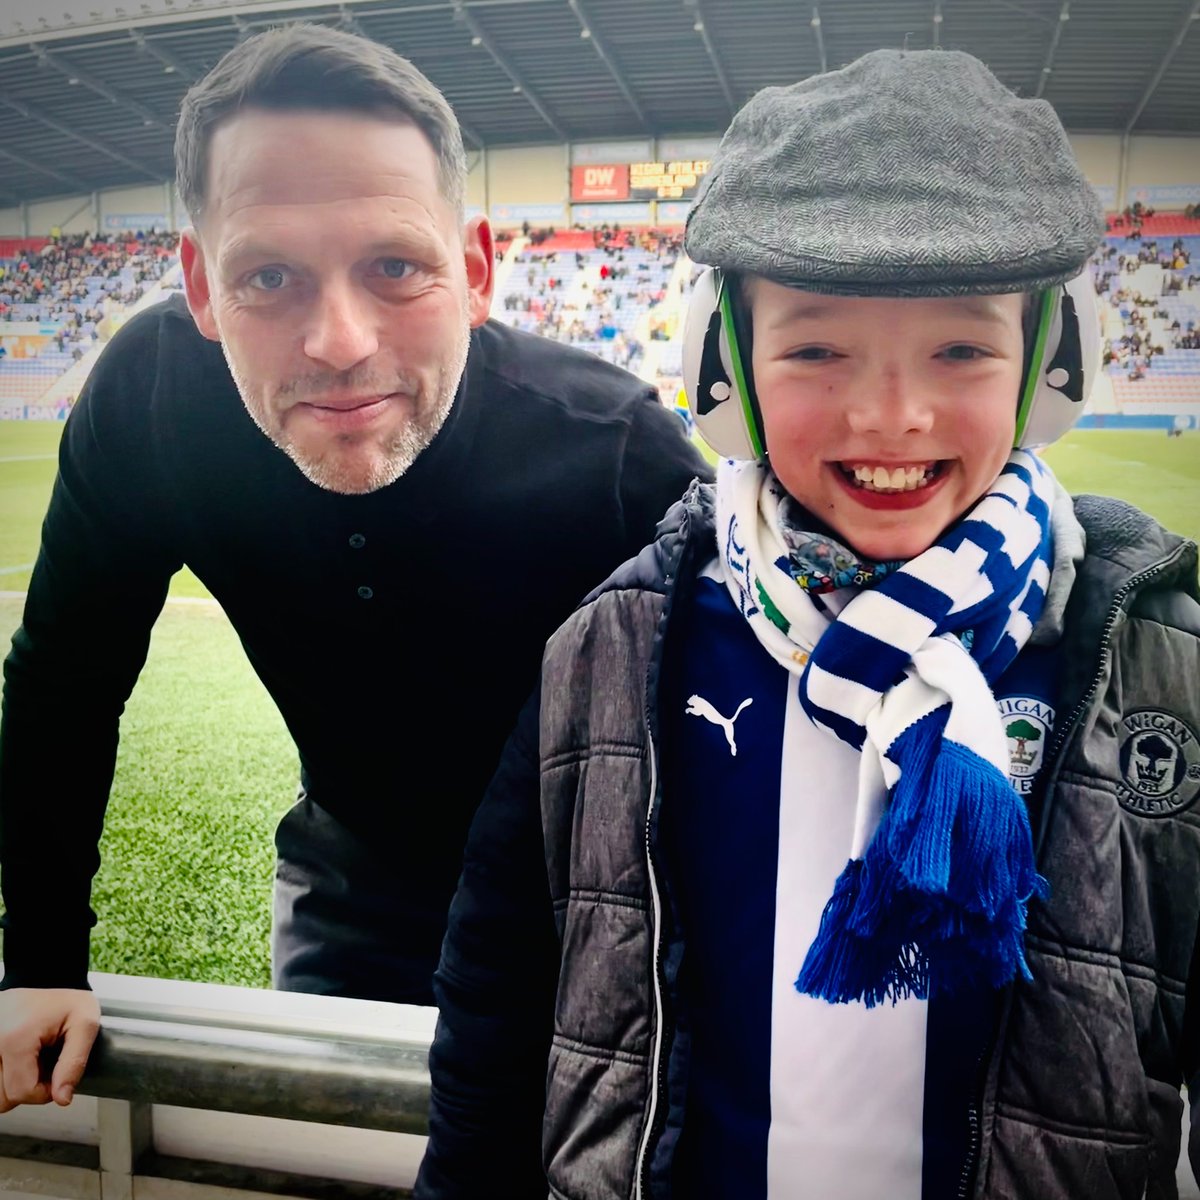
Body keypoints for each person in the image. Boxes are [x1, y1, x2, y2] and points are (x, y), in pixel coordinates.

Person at [415, 49, 1200, 1200]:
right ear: (724, 358)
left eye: (963, 347)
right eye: (817, 349)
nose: (894, 414)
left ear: (1049, 363)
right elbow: (498, 996)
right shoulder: (615, 648)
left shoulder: (1158, 661)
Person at [0, 23, 711, 1113]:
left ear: (474, 270)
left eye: (395, 267)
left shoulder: (615, 452)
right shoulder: (150, 406)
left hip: (598, 887)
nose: (337, 340)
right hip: (354, 870)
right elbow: (63, 685)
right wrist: (41, 961)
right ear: (198, 284)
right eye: (269, 276)